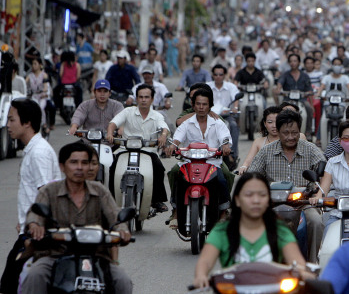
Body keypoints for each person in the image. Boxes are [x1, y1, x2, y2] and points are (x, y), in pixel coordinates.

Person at [21, 142, 132, 294]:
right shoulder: (49, 191)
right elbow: (35, 215)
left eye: (84, 163)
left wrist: (122, 230)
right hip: (55, 255)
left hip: (96, 257)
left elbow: (115, 215)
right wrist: (35, 225)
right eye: (74, 162)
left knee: (122, 281)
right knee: (35, 275)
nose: (79, 167)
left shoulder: (100, 191)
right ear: (62, 166)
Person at [192, 172, 309, 288]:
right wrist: (201, 276)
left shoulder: (279, 229)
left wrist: (303, 273)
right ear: (237, 200)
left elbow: (297, 262)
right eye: (249, 195)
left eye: (262, 195)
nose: (256, 200)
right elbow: (205, 261)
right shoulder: (222, 230)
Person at [248, 110, 326, 263]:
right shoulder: (266, 151)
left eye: (294, 133)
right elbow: (252, 176)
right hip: (273, 202)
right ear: (278, 131)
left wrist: (317, 194)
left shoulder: (310, 149)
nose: (290, 137)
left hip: (304, 202)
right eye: (286, 133)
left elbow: (326, 171)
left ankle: (311, 263)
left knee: (316, 221)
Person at [0, 99, 61, 294]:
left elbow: (47, 193)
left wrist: (35, 224)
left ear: (27, 122)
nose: (7, 125)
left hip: (37, 233)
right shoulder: (33, 150)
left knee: (10, 284)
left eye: (11, 120)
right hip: (31, 229)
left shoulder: (39, 153)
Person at [169, 87, 232, 229]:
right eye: (198, 104)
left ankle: (223, 210)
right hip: (189, 162)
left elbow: (225, 137)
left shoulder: (217, 123)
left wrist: (226, 145)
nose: (201, 107)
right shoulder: (187, 123)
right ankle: (176, 210)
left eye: (204, 104)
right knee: (177, 176)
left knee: (223, 178)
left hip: (213, 162)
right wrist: (173, 146)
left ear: (210, 105)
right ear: (193, 105)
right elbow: (177, 137)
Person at [106, 84, 170, 212]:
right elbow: (114, 123)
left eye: (146, 97)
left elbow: (164, 127)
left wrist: (163, 136)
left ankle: (157, 200)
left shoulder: (156, 115)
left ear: (152, 99)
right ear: (136, 98)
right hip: (126, 150)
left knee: (158, 168)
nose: (143, 100)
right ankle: (111, 199)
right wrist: (109, 133)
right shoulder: (127, 111)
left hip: (148, 151)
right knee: (112, 167)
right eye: (140, 97)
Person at [208, 64, 241, 167]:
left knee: (234, 126)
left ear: (224, 75)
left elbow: (236, 99)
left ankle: (232, 155)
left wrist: (235, 108)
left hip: (227, 116)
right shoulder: (207, 86)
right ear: (212, 75)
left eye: (220, 74)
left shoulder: (231, 86)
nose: (218, 76)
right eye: (216, 74)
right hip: (209, 116)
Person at [274, 53, 314, 136]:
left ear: (299, 62)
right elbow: (280, 83)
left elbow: (309, 89)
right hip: (287, 99)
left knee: (309, 109)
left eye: (295, 61)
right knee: (279, 111)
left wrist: (311, 104)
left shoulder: (305, 75)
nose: (293, 63)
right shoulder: (285, 74)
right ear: (289, 63)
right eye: (291, 61)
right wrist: (278, 89)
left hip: (302, 99)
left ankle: (308, 131)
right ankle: (279, 130)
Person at [238, 106, 281, 173]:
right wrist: (244, 167)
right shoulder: (258, 142)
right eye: (270, 122)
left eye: (277, 122)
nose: (274, 125)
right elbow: (247, 161)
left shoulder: (289, 140)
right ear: (265, 123)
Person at [26, 57, 51, 133]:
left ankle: (44, 124)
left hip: (42, 96)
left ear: (40, 65)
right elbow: (24, 83)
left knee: (40, 107)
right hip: (33, 96)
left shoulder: (44, 75)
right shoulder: (30, 75)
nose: (33, 66)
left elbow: (46, 86)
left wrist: (44, 90)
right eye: (32, 64)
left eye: (35, 64)